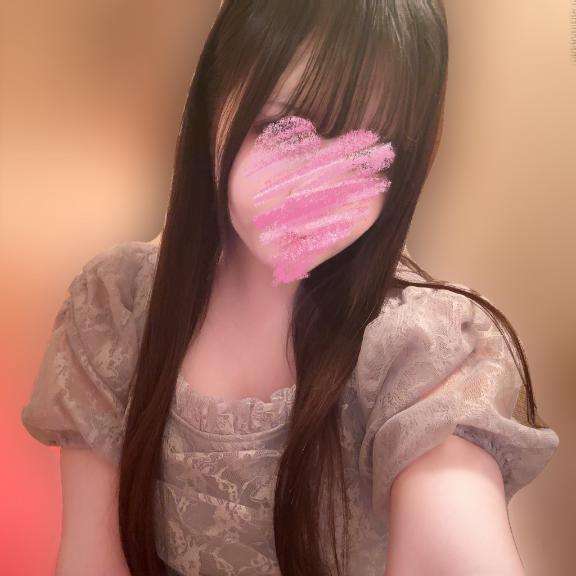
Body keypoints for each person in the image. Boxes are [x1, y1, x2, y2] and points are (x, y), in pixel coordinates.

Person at [21, 1, 560, 575]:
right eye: (287, 129)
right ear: (216, 102)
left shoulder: (424, 347)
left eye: (368, 152)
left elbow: (454, 530)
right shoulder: (116, 308)